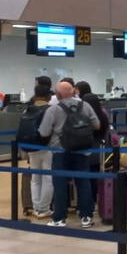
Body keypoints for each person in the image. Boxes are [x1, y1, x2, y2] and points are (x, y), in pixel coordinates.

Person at [40, 82, 100, 228]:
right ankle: (86, 217)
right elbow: (97, 125)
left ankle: (59, 218)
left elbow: (44, 132)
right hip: (82, 151)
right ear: (73, 92)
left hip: (61, 152)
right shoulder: (85, 106)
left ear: (58, 94)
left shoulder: (53, 109)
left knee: (60, 184)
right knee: (83, 183)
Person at [75, 81, 110, 205]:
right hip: (99, 150)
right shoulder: (103, 115)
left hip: (86, 149)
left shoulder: (83, 115)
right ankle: (96, 200)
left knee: (85, 178)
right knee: (96, 176)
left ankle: (86, 202)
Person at [27, 85, 54, 218]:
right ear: (48, 96)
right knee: (48, 177)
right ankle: (44, 209)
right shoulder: (50, 109)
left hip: (31, 147)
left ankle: (36, 207)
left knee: (35, 179)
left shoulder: (28, 109)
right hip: (47, 147)